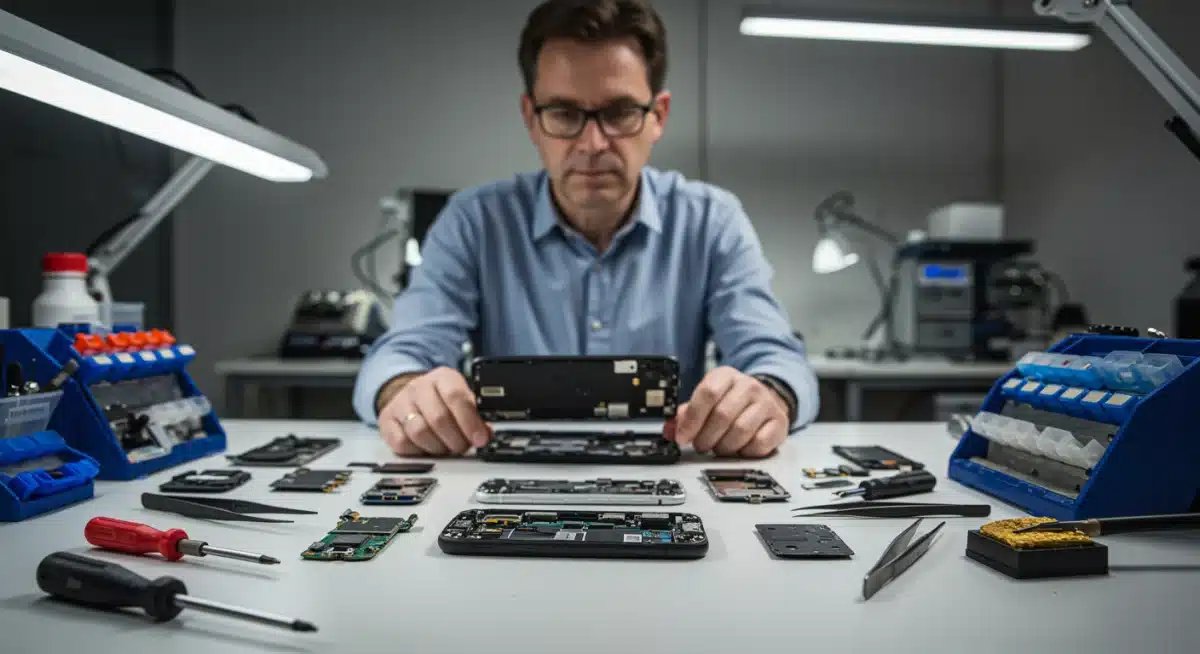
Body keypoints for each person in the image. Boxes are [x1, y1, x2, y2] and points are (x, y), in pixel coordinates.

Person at [352, 0, 819, 458]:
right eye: (564, 114)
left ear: (658, 116)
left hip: (669, 482)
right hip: (507, 484)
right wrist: (406, 393)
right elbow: (399, 356)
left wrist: (769, 397)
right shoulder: (472, 222)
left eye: (618, 113)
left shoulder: (712, 220)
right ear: (530, 118)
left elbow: (778, 360)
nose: (592, 145)